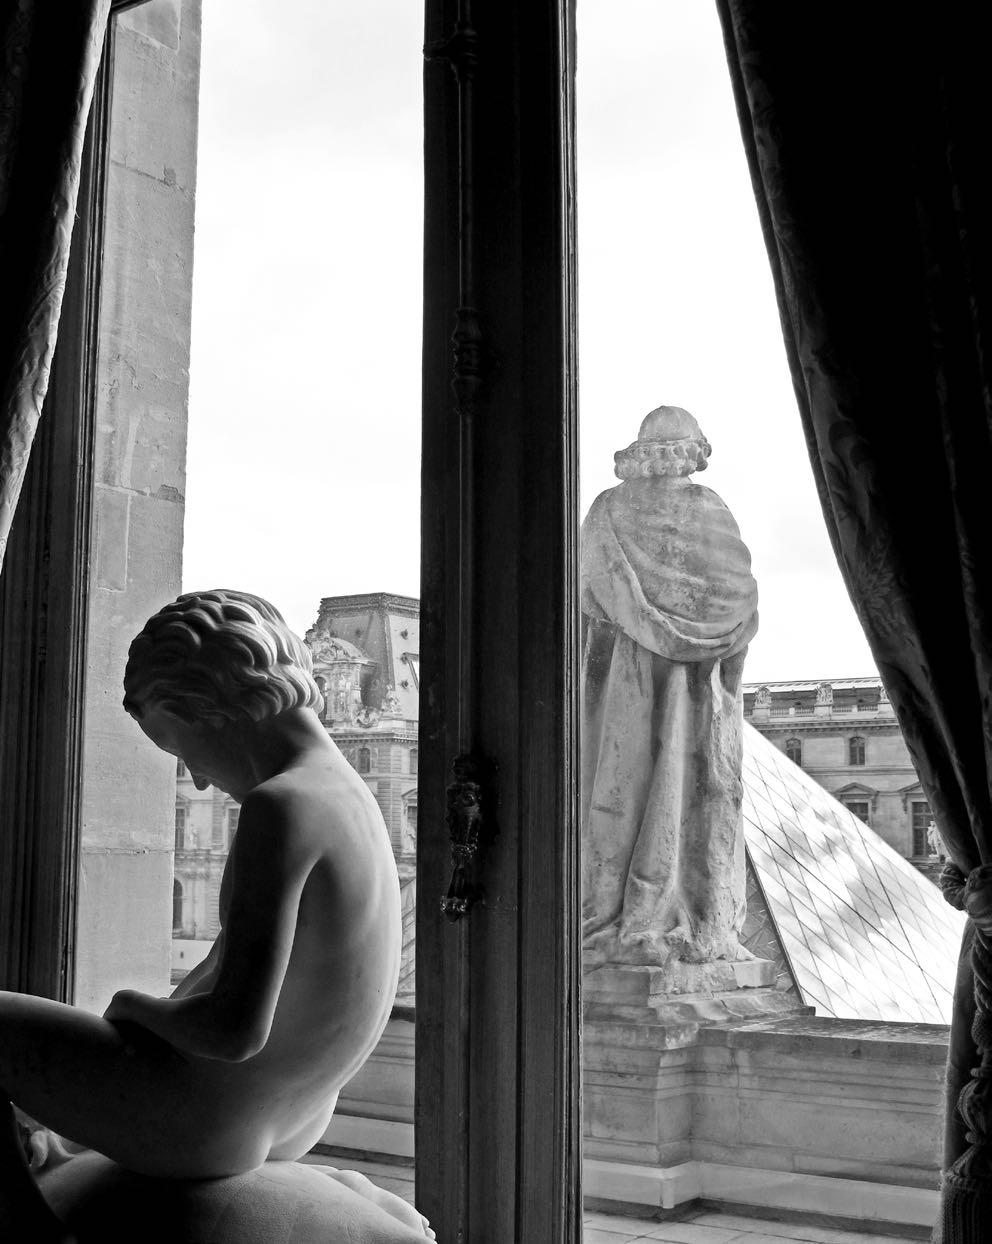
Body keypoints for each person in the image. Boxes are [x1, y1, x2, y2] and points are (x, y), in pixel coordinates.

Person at [1, 590, 402, 1182]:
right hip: (297, 1113)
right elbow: (225, 971)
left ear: (215, 708)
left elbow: (233, 1031)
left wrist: (133, 1008)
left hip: (215, 1118)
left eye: (182, 747)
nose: (197, 779)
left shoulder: (280, 806)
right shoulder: (347, 795)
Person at [581, 407, 759, 968]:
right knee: (692, 790)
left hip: (624, 680)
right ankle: (687, 910)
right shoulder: (709, 509)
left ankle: (618, 911)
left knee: (622, 786)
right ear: (693, 451)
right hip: (695, 687)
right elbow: (738, 603)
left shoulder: (605, 511)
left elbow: (587, 597)